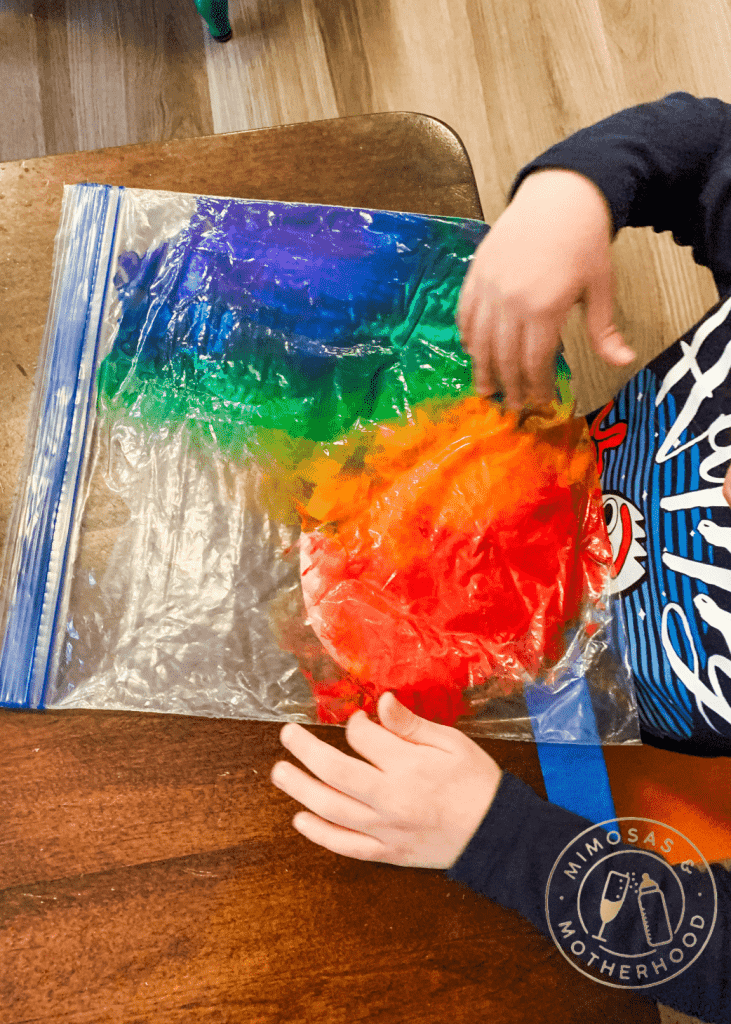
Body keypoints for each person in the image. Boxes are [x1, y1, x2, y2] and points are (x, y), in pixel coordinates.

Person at [270, 92, 731, 1023]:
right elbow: (708, 145)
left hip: (542, 765)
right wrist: (575, 192)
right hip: (501, 511)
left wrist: (500, 842)